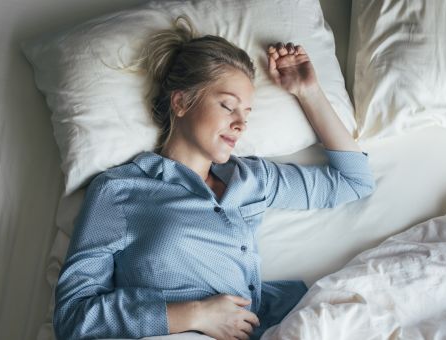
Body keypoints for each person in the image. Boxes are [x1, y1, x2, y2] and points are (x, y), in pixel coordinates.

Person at [53, 16, 375, 340]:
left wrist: (308, 92)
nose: (240, 124)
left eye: (246, 114)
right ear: (181, 102)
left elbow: (355, 181)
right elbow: (73, 317)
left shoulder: (253, 179)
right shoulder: (120, 191)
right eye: (227, 106)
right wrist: (196, 313)